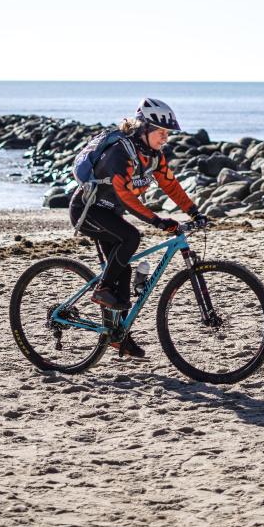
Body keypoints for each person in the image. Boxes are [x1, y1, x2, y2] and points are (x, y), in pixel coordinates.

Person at [69, 97, 204, 359]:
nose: (165, 138)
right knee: (131, 237)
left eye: (167, 133)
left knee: (123, 271)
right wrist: (157, 220)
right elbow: (125, 195)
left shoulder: (153, 156)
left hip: (110, 214)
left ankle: (119, 337)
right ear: (144, 128)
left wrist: (194, 211)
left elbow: (170, 185)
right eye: (161, 132)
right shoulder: (121, 152)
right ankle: (101, 289)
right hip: (89, 212)